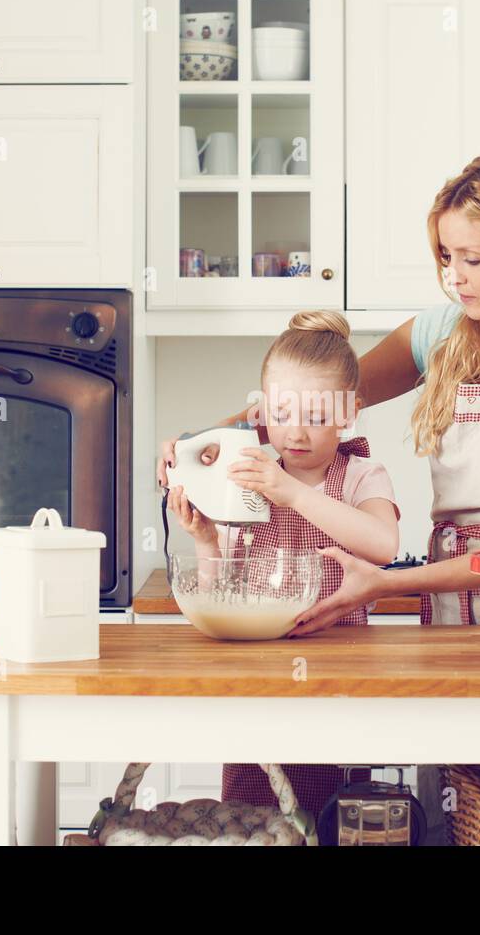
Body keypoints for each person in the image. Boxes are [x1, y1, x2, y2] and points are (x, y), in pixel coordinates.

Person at [159, 154, 480, 842]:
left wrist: (382, 581)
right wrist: (207, 441)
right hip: (449, 618)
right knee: (459, 811)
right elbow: (319, 399)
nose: (453, 275)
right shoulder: (443, 332)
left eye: (472, 258)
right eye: (446, 255)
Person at [168, 309, 399, 821]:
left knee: (334, 819)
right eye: (282, 412)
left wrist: (290, 491)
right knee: (251, 819)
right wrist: (206, 540)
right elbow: (221, 590)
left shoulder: (362, 474)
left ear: (349, 412)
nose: (296, 432)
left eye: (317, 416)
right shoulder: (247, 477)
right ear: (261, 410)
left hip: (342, 683)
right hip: (259, 683)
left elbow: (382, 545)